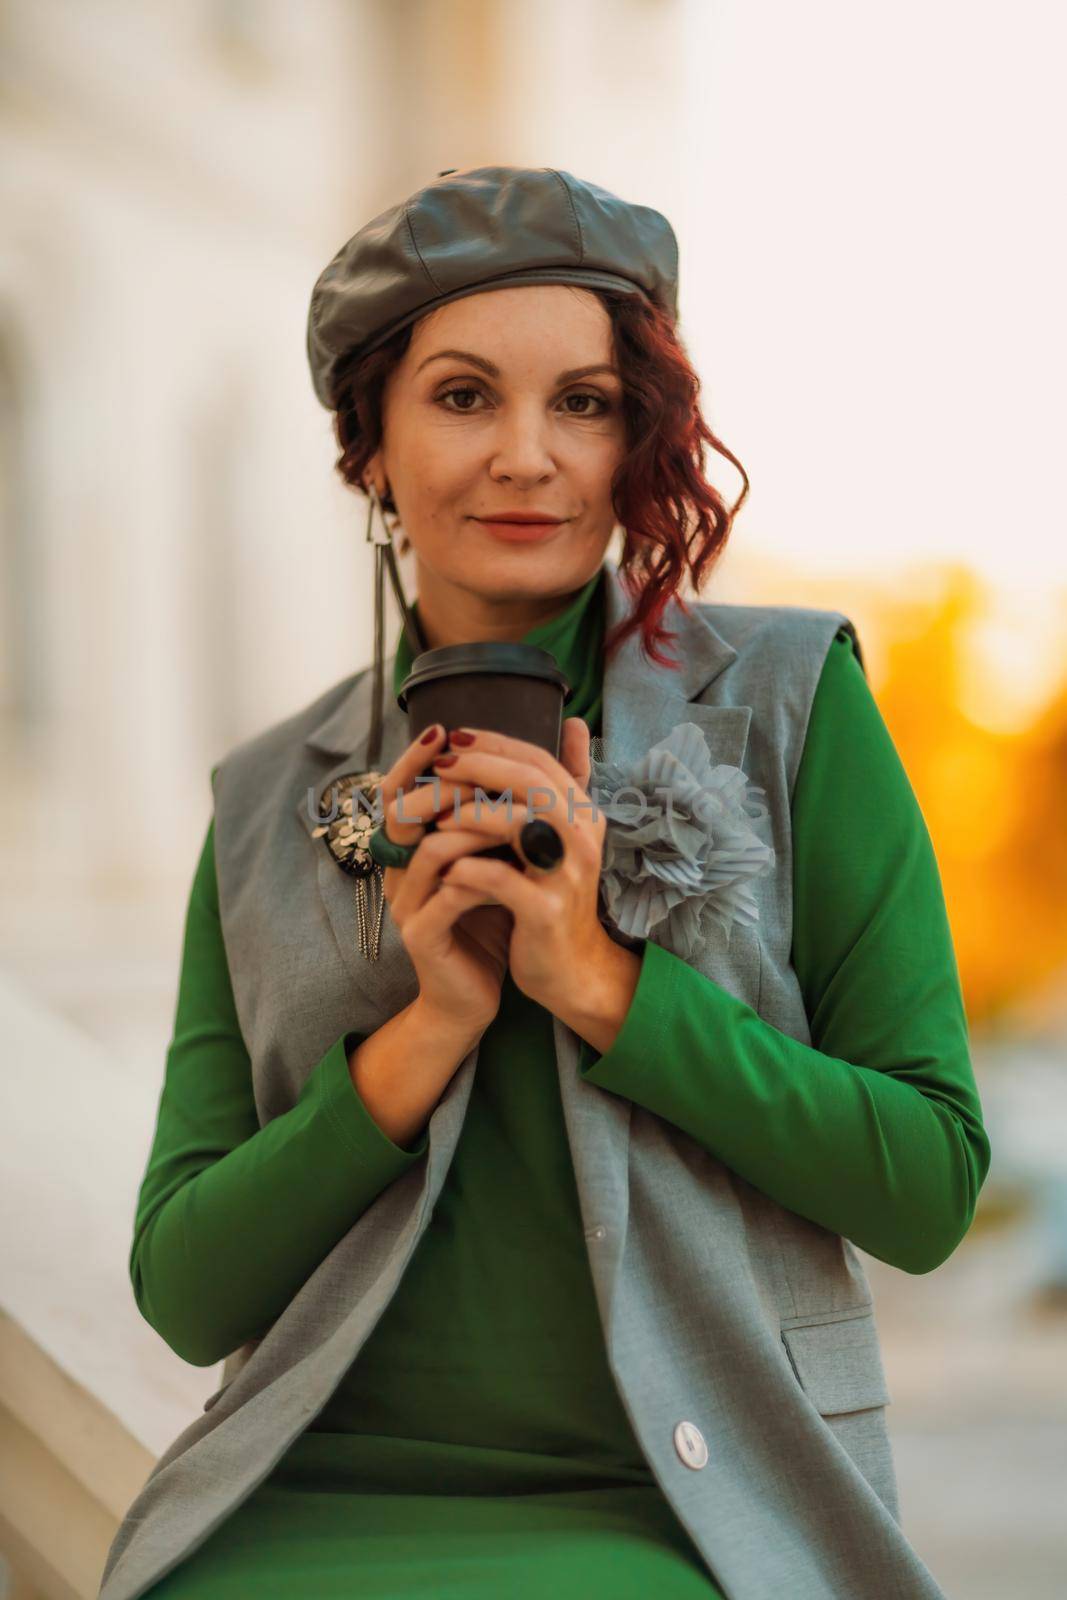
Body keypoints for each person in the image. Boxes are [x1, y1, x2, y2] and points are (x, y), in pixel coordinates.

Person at [100, 168, 989, 1600]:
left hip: (687, 1506)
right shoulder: (266, 800)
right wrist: (421, 1037)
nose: (529, 455)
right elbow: (188, 1292)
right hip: (306, 1495)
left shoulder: (789, 701)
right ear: (367, 446)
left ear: (636, 437)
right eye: (462, 397)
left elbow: (930, 1184)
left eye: (584, 402)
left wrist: (602, 986)